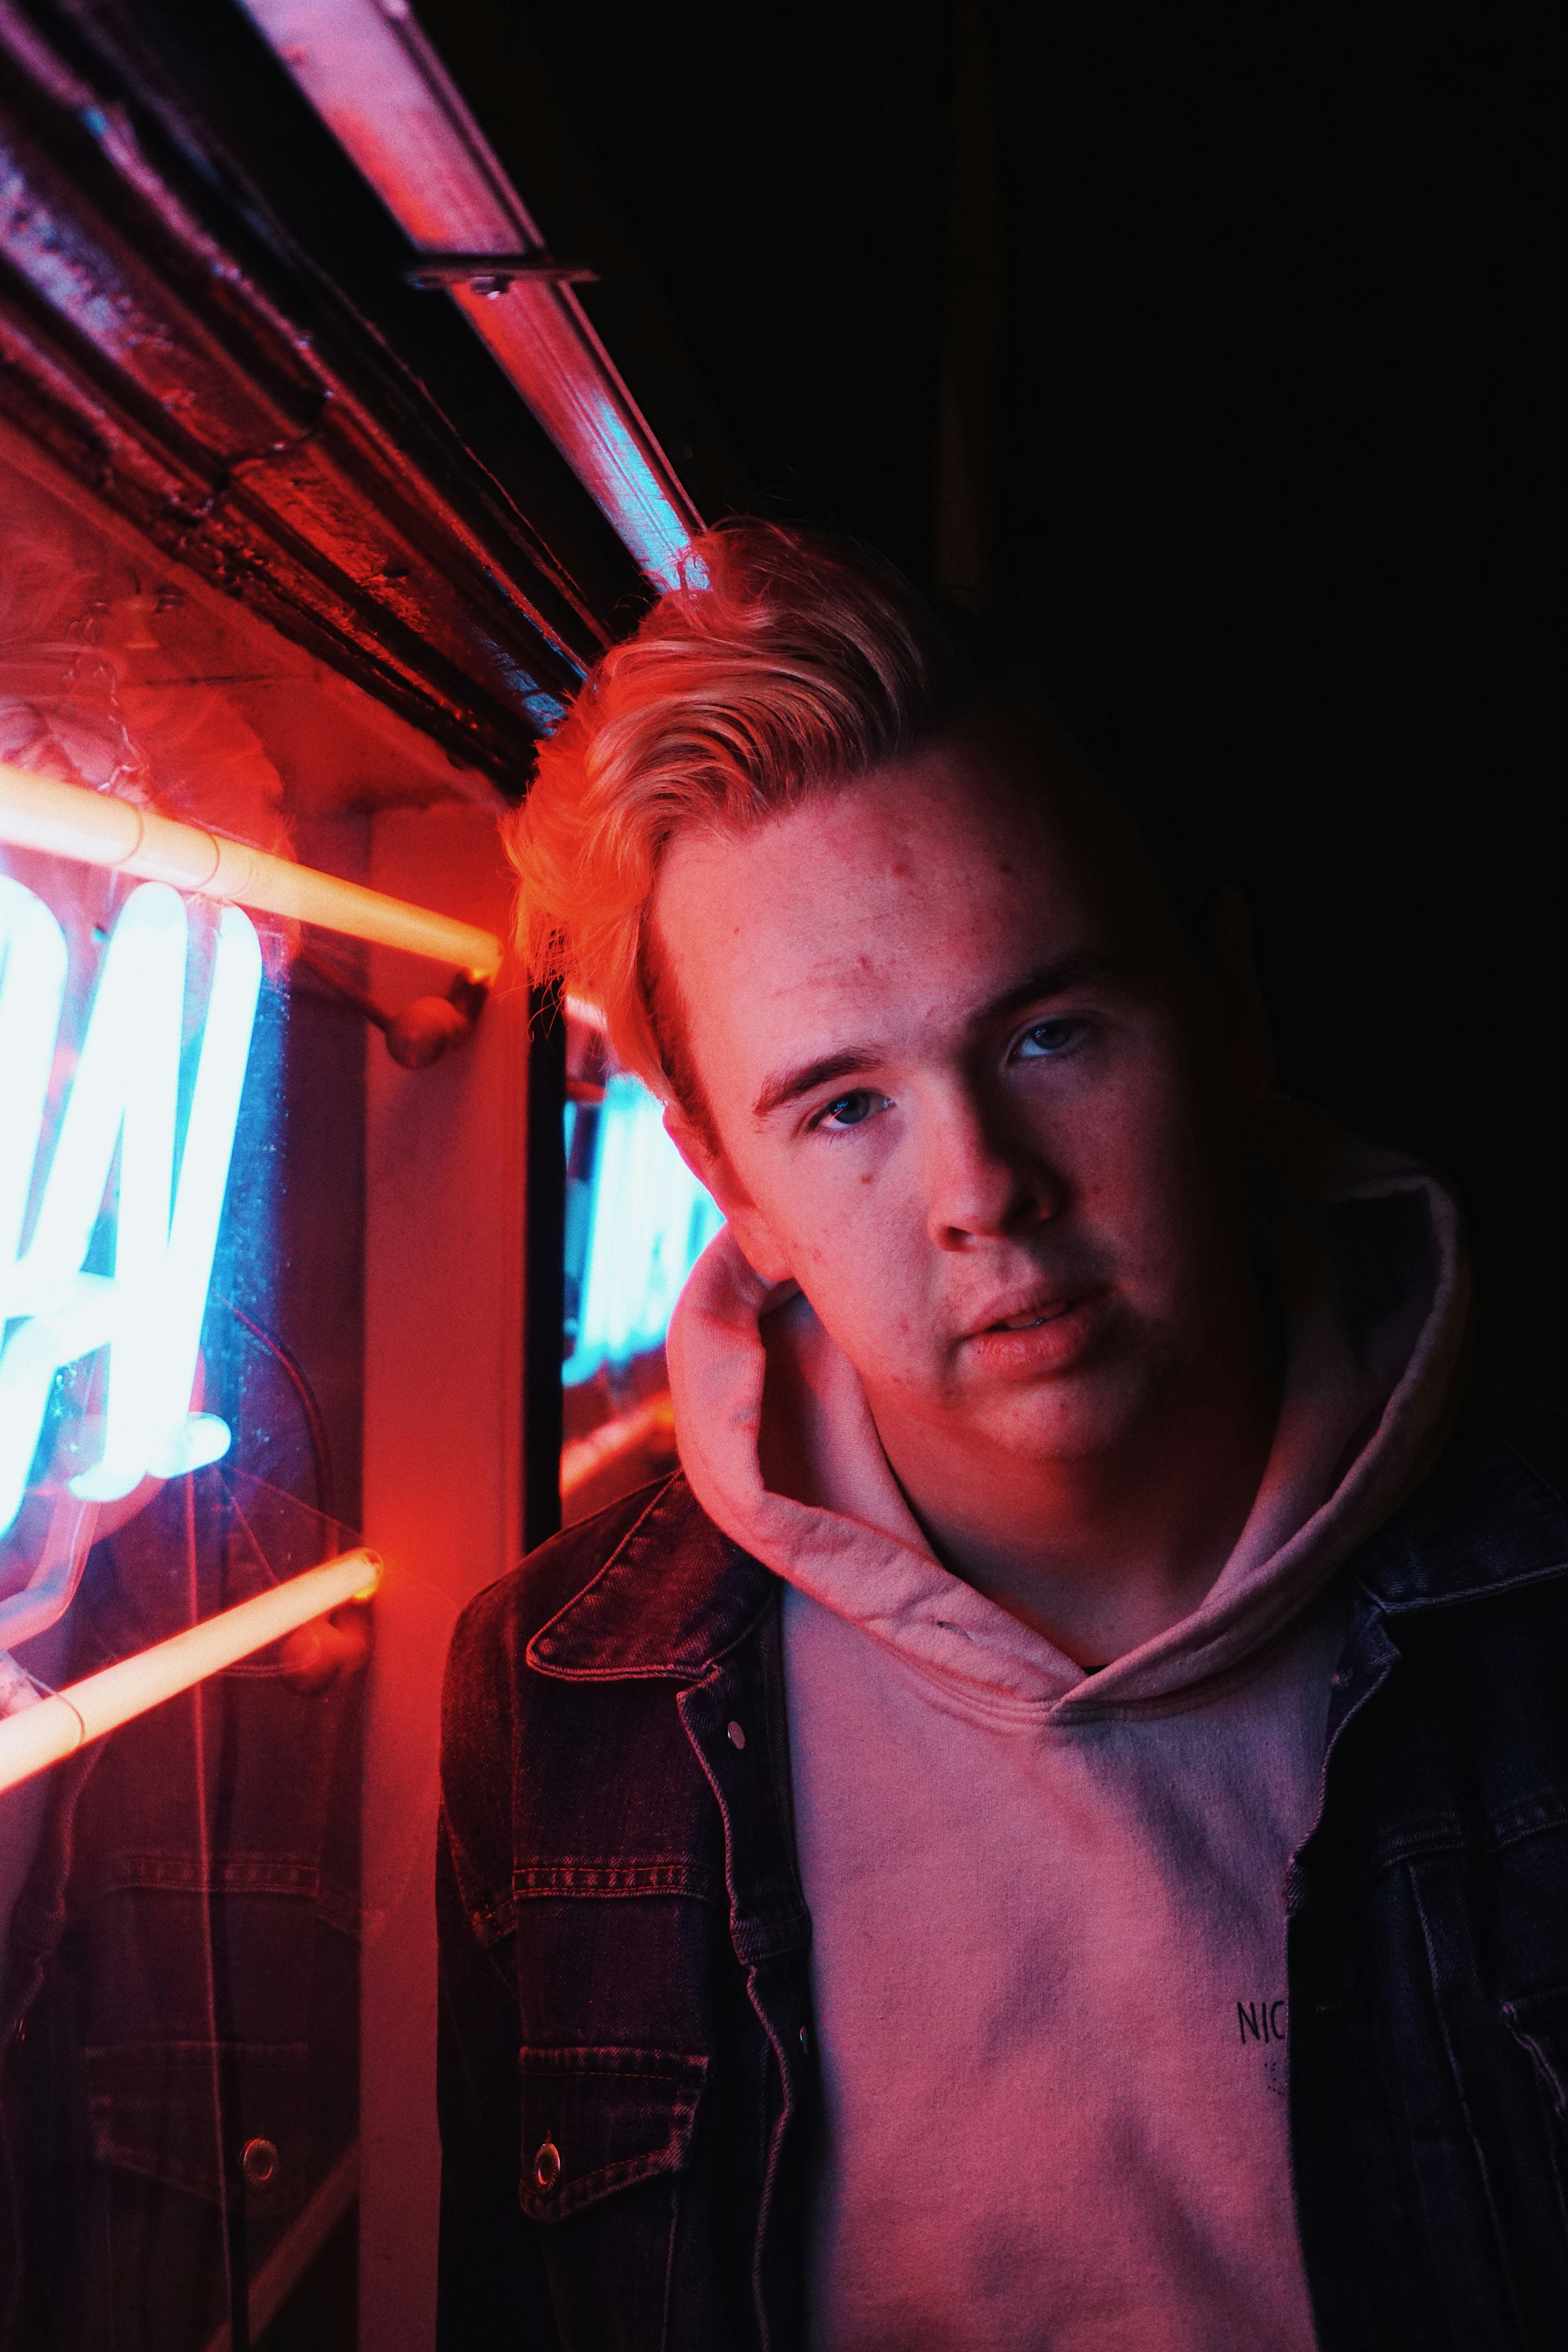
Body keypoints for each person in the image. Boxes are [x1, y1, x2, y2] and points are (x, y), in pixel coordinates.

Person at [435, 521, 1568, 2352]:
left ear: (1226, 1012)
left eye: (1048, 1035)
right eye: (844, 1105)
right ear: (723, 1178)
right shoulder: (565, 1699)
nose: (980, 1193)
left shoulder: (1536, 1604)